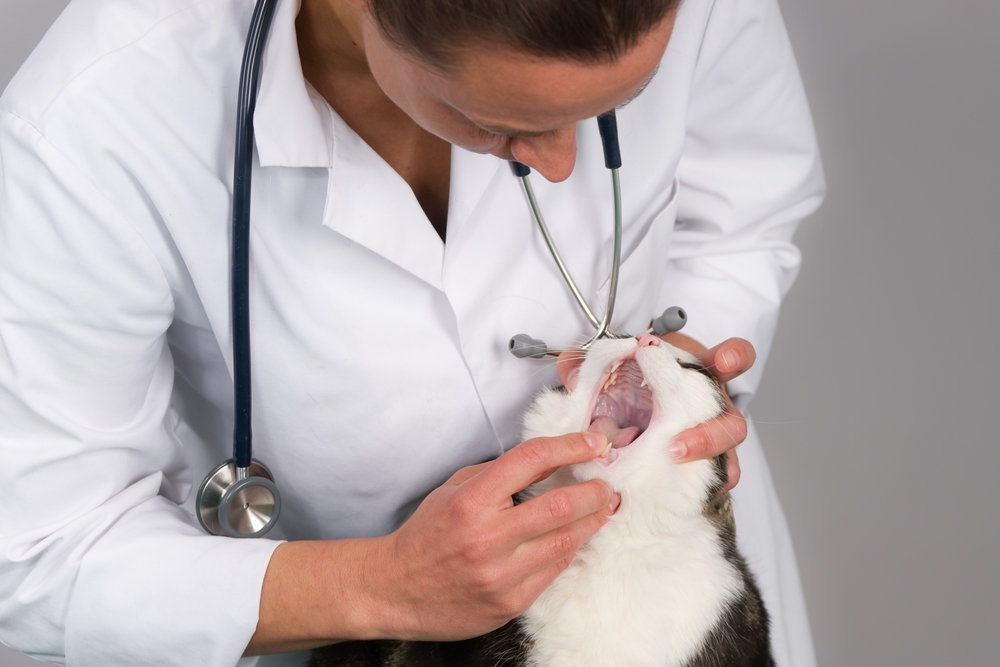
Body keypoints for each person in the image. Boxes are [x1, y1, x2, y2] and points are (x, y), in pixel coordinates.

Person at [0, 0, 824, 665]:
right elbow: (36, 549)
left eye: (617, 107)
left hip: (676, 609)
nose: (564, 164)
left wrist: (683, 372)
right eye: (495, 120)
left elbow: (744, 207)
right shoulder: (91, 129)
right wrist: (379, 586)